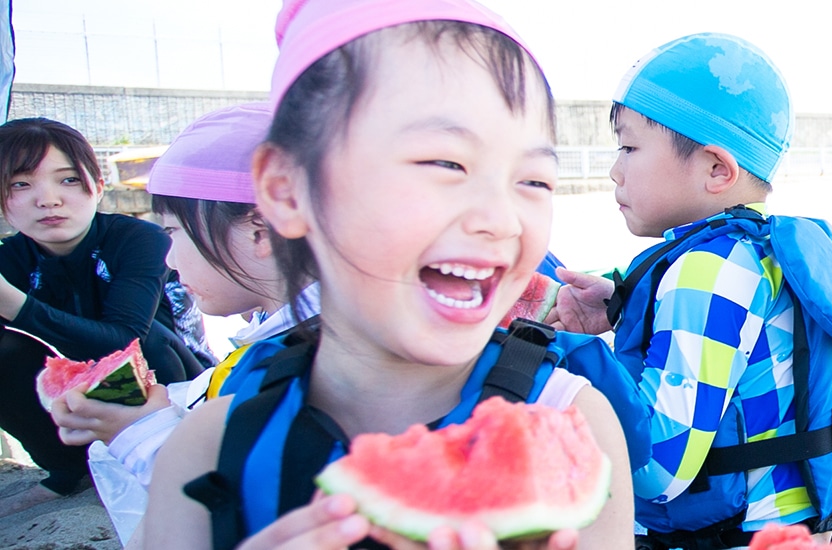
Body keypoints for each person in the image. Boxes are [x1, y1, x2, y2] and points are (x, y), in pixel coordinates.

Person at [140, 0, 633, 547]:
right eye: (445, 163)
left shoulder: (570, 421)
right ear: (287, 190)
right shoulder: (207, 448)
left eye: (534, 180)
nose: (501, 219)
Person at [547, 33, 832, 549]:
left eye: (629, 147)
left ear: (716, 169)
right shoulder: (760, 252)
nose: (615, 170)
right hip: (824, 532)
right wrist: (620, 307)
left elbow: (657, 468)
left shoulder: (707, 270)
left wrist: (562, 358)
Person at [45, 102, 317, 544]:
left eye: (172, 232)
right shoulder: (297, 336)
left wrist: (139, 432)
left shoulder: (310, 362)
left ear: (260, 232)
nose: (169, 261)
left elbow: (241, 508)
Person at [0, 117, 208, 518]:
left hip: (177, 390)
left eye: (68, 180)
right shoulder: (10, 259)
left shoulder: (140, 239)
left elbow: (123, 340)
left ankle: (171, 460)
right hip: (74, 409)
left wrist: (13, 303)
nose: (48, 199)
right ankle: (67, 469)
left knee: (144, 339)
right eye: (21, 184)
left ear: (96, 186)